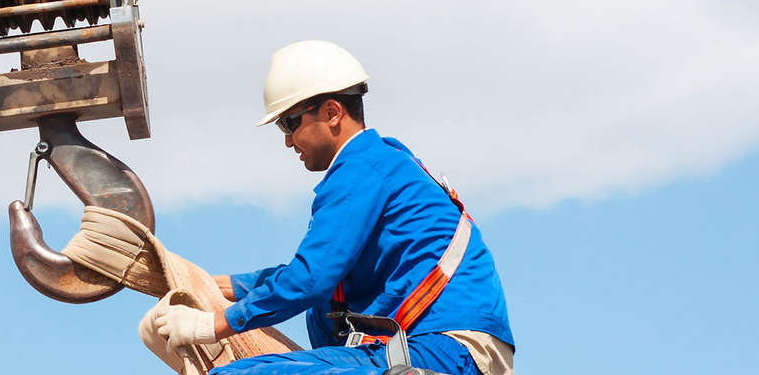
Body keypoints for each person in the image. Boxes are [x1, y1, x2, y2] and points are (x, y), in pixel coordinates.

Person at [142, 40, 516, 375]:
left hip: (445, 350)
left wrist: (213, 324)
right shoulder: (382, 163)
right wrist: (213, 284)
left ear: (333, 112)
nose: (288, 141)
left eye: (290, 122)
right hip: (445, 346)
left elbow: (310, 279)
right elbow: (312, 273)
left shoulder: (358, 169)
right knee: (320, 316)